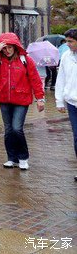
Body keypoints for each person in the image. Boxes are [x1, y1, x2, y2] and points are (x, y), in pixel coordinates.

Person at [0, 32, 45, 170]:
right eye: (4, 48)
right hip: (4, 99)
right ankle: (12, 158)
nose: (7, 50)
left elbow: (35, 79)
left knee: (17, 128)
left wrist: (40, 98)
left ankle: (23, 157)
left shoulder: (25, 60)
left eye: (10, 47)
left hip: (21, 99)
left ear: (16, 47)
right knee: (8, 130)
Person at [55, 28, 77, 182]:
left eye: (71, 41)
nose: (67, 44)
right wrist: (59, 100)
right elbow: (61, 78)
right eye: (67, 41)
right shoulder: (66, 56)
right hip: (72, 103)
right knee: (76, 137)